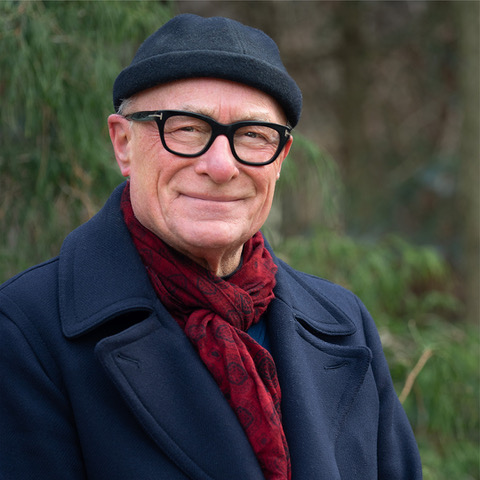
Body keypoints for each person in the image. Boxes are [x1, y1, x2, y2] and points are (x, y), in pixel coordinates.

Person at [0, 13, 422, 480]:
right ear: (123, 144)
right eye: (186, 128)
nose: (221, 166)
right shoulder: (26, 330)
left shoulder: (345, 323)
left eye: (253, 135)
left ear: (280, 159)